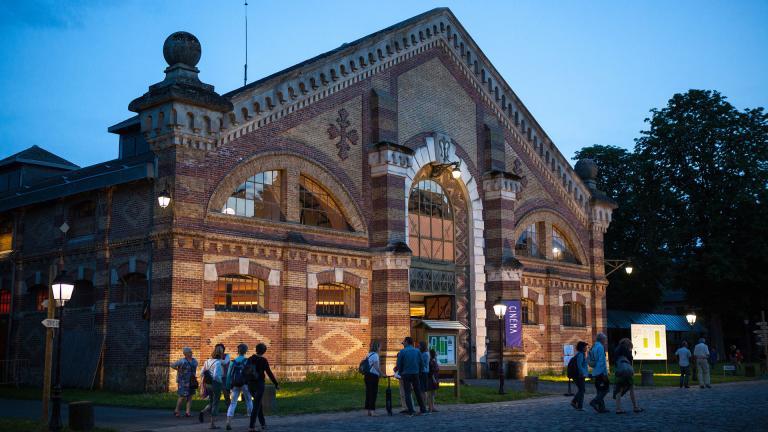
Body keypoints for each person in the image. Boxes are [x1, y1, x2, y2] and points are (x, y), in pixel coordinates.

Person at [247, 343, 279, 432]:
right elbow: (269, 373)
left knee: (258, 404)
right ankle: (251, 426)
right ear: (264, 351)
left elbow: (246, 371)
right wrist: (276, 384)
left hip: (250, 385)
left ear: (256, 349)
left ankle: (263, 424)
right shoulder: (263, 360)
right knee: (256, 405)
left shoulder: (250, 359)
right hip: (259, 385)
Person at [395, 336, 427, 416]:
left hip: (406, 374)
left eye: (404, 342)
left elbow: (399, 365)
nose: (403, 343)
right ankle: (423, 409)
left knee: (407, 393)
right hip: (415, 373)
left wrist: (400, 372)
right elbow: (422, 364)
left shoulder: (402, 352)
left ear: (406, 342)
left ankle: (411, 410)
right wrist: (419, 372)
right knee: (417, 391)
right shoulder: (417, 351)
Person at [225, 343, 253, 431]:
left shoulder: (233, 362)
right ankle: (251, 423)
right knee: (249, 401)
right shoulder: (248, 361)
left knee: (233, 403)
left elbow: (229, 375)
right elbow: (251, 373)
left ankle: (228, 422)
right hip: (245, 384)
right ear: (246, 351)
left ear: (238, 351)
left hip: (235, 384)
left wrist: (228, 385)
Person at [613, 338, 642, 414]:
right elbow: (630, 358)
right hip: (627, 372)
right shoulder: (626, 349)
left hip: (619, 371)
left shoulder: (616, 350)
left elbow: (615, 361)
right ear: (629, 345)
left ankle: (618, 408)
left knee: (619, 390)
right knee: (631, 388)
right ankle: (635, 407)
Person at [199, 345, 224, 429]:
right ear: (220, 354)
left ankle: (203, 411)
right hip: (215, 384)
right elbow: (216, 375)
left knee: (211, 401)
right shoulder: (218, 362)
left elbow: (201, 373)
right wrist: (221, 382)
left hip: (207, 384)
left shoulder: (207, 361)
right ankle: (212, 424)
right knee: (216, 403)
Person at [171, 347, 198, 418]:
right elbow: (172, 365)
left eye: (191, 352)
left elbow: (194, 368)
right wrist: (178, 369)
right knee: (182, 396)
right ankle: (176, 410)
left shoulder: (195, 361)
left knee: (190, 396)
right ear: (185, 354)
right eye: (189, 352)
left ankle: (188, 412)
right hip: (183, 381)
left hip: (191, 381)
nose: (191, 353)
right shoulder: (182, 361)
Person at [588, 333, 610, 413]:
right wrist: (604, 373)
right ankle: (594, 401)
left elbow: (592, 360)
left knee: (599, 390)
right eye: (605, 339)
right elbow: (602, 362)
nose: (606, 341)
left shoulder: (594, 346)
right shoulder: (600, 347)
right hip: (600, 372)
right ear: (602, 340)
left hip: (595, 372)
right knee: (606, 389)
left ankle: (602, 408)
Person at [363, 340, 383, 416]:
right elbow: (376, 367)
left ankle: (368, 410)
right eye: (380, 346)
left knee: (368, 392)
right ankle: (372, 411)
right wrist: (382, 374)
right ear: (377, 347)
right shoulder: (375, 355)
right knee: (373, 393)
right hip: (373, 376)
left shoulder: (369, 354)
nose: (381, 348)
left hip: (367, 375)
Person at [570, 341, 589, 411]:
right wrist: (583, 374)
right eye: (586, 347)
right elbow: (579, 366)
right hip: (579, 375)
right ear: (582, 347)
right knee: (582, 390)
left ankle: (574, 402)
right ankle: (579, 406)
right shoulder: (581, 355)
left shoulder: (581, 354)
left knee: (582, 390)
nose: (587, 348)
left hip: (579, 375)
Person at [216, 343, 232, 407]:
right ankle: (214, 408)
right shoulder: (214, 356)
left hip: (225, 377)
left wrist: (217, 360)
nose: (219, 350)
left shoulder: (226, 356)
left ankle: (229, 408)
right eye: (217, 349)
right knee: (216, 394)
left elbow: (225, 362)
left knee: (226, 393)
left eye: (220, 349)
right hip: (217, 377)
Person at [426, 348, 440, 413]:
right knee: (430, 394)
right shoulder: (431, 361)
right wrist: (434, 379)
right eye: (436, 353)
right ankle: (430, 407)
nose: (437, 353)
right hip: (431, 379)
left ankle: (433, 406)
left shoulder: (434, 360)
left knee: (433, 394)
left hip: (435, 378)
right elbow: (431, 371)